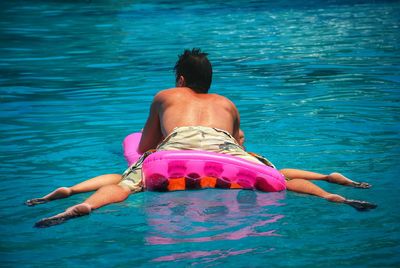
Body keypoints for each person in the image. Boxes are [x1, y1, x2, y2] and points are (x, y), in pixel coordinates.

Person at [27, 49, 376, 228]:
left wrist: (144, 160)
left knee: (128, 182)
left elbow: (147, 146)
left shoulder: (166, 96)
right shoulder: (227, 103)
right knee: (280, 176)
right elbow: (237, 145)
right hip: (227, 153)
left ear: (180, 80)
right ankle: (334, 195)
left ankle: (85, 204)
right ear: (209, 83)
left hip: (176, 151)